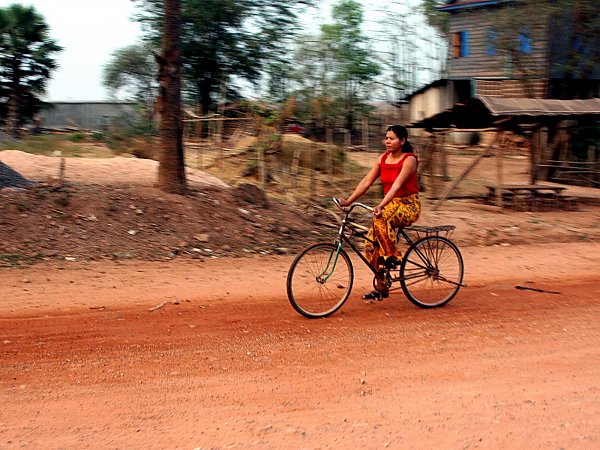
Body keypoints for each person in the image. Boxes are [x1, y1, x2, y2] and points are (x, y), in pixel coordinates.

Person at [339, 124, 421, 300]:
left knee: (380, 217)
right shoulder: (382, 159)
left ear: (403, 141)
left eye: (392, 138)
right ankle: (382, 286)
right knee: (369, 245)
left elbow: (398, 184)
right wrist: (348, 201)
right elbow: (367, 181)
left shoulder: (409, 160)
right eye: (386, 138)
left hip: (408, 205)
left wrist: (381, 205)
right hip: (390, 205)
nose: (388, 142)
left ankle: (393, 255)